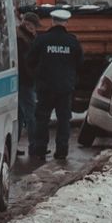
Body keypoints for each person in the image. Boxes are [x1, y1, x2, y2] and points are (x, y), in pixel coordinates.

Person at [27, 9, 83, 160]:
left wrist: (37, 75)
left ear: (52, 21)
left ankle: (40, 149)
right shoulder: (72, 41)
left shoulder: (42, 40)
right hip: (65, 88)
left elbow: (30, 60)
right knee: (64, 119)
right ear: (65, 23)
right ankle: (62, 150)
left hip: (45, 87)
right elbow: (80, 64)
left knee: (42, 119)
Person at [15, 11, 41, 155]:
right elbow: (25, 64)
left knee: (20, 115)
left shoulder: (24, 36)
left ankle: (15, 146)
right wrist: (33, 77)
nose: (35, 29)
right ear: (27, 24)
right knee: (31, 115)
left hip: (21, 81)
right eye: (33, 26)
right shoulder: (22, 39)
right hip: (25, 82)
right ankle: (34, 145)